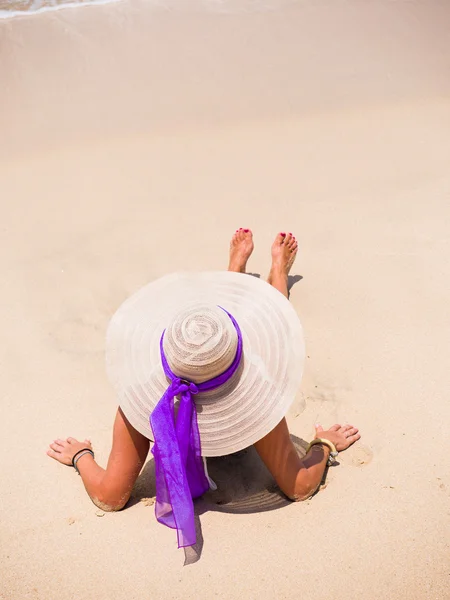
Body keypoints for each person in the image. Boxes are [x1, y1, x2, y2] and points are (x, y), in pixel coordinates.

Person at [47, 230, 360, 547]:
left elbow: (109, 496)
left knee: (212, 333)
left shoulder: (147, 399)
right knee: (244, 328)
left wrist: (81, 456)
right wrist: (322, 444)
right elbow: (299, 485)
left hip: (217, 360)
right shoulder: (254, 400)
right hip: (231, 375)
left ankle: (262, 273)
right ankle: (247, 276)